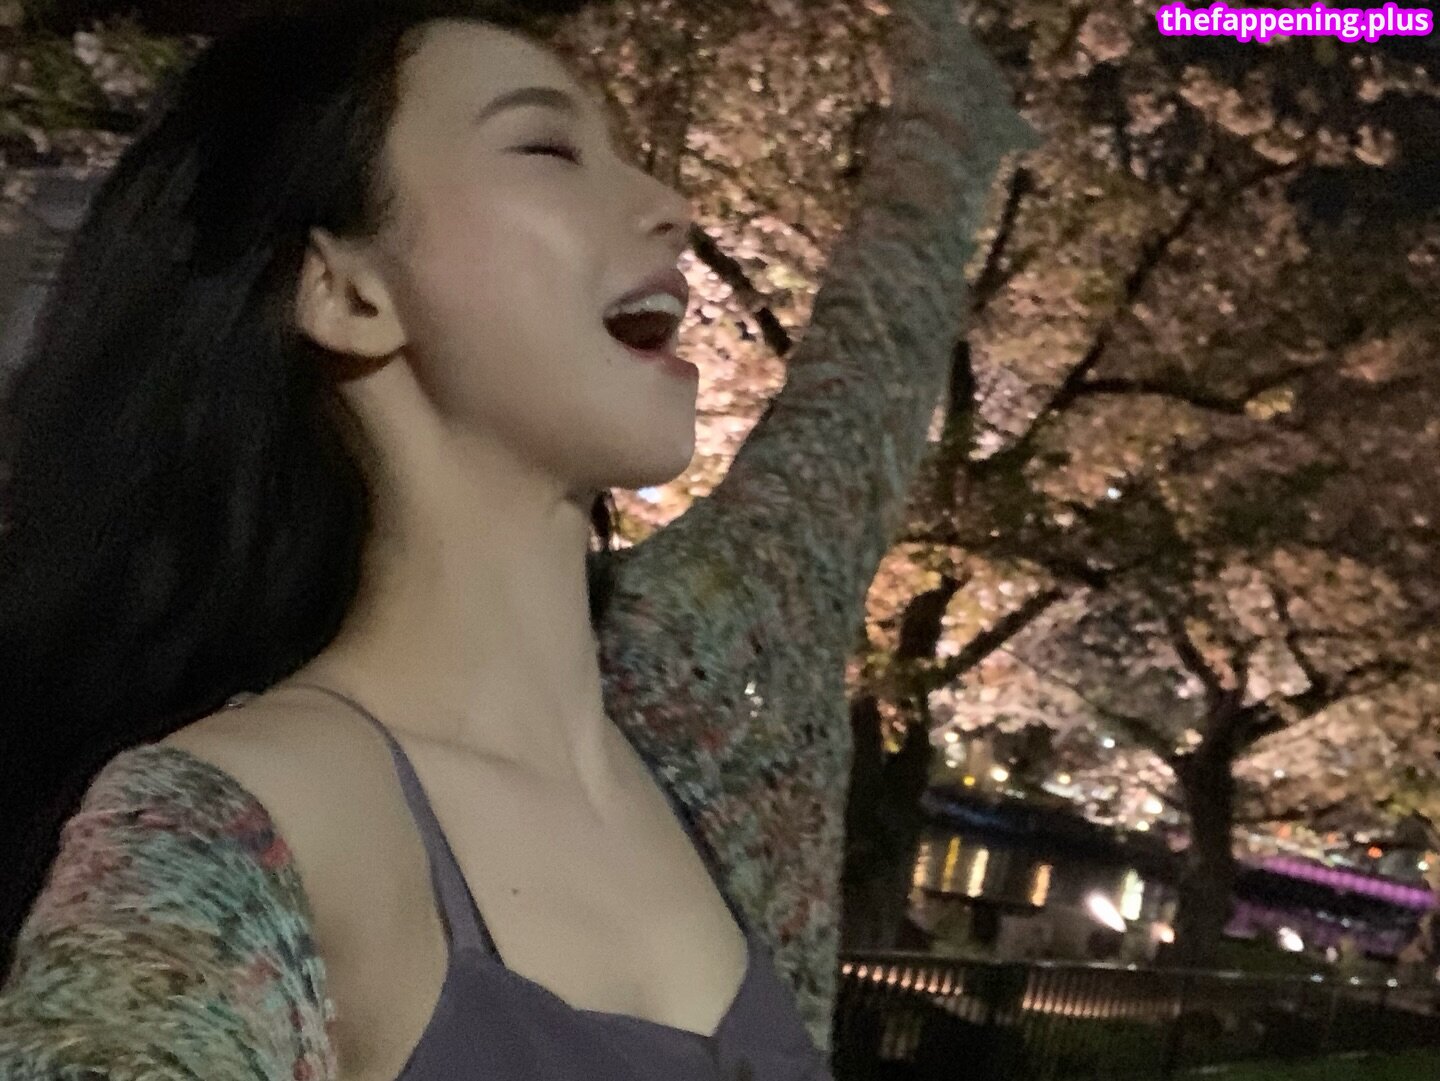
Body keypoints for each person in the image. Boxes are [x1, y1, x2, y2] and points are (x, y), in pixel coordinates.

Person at [0, 0, 1036, 1078]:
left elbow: (870, 373)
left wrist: (948, 87)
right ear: (347, 291)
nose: (671, 209)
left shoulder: (705, 702)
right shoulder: (225, 830)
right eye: (547, 148)